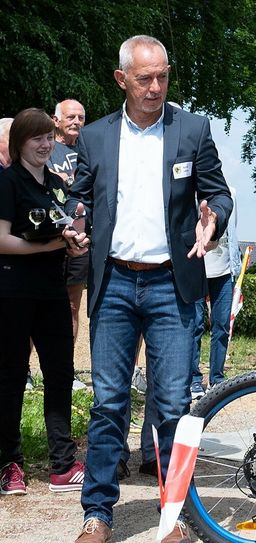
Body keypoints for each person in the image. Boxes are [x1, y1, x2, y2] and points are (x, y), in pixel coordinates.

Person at [65, 34, 232, 543]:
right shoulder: (95, 137)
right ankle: (97, 515)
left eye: (163, 76)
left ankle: (173, 515)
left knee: (173, 406)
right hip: (113, 282)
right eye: (145, 78)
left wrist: (214, 223)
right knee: (108, 402)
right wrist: (76, 225)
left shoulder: (192, 130)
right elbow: (80, 199)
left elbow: (219, 194)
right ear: (122, 79)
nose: (156, 87)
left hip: (171, 284)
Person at [0, 108, 88, 497]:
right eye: (37, 137)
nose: (45, 144)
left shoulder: (56, 183)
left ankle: (63, 465)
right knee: (10, 378)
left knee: (59, 375)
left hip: (53, 290)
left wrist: (76, 235)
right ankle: (9, 464)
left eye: (48, 137)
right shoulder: (7, 182)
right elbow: (1, 240)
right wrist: (56, 243)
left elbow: (68, 224)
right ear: (19, 142)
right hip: (12, 292)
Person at [49, 99, 90, 390]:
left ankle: (67, 369)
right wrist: (56, 179)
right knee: (39, 302)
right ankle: (25, 369)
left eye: (81, 117)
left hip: (82, 237)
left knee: (72, 305)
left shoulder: (88, 150)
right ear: (56, 120)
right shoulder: (47, 148)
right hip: (49, 237)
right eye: (70, 117)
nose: (76, 121)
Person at [191, 186, 241, 397]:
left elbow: (233, 229)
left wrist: (235, 266)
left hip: (224, 270)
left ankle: (217, 378)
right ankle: (193, 380)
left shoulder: (231, 192)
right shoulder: (191, 192)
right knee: (194, 327)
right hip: (196, 267)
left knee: (221, 327)